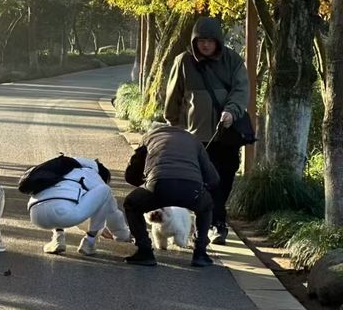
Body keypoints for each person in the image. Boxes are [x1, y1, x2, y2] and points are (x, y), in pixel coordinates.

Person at [164, 15, 249, 244]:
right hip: (195, 136)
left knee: (225, 178)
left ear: (218, 41)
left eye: (210, 40)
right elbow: (174, 96)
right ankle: (210, 223)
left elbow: (241, 90)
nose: (205, 44)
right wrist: (175, 126)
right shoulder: (184, 62)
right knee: (200, 182)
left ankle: (216, 221)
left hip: (227, 134)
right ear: (194, 40)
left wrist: (231, 111)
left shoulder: (233, 60)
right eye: (201, 40)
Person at [123, 123, 220, 267]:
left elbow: (131, 174)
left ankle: (144, 250)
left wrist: (144, 185)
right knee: (205, 206)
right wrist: (200, 185)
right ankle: (200, 253)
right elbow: (213, 179)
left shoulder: (149, 138)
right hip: (191, 188)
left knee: (131, 204)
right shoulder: (193, 140)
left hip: (159, 185)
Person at [27, 157, 130, 256]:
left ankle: (58, 237)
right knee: (105, 191)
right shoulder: (92, 174)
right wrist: (122, 235)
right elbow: (110, 211)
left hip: (35, 214)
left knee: (60, 197)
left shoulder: (59, 169)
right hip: (64, 215)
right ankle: (89, 242)